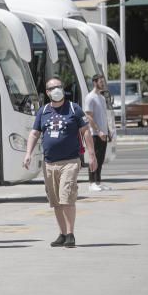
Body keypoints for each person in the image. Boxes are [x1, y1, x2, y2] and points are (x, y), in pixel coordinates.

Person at [23, 77, 96, 248]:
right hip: (49, 163)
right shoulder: (43, 111)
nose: (56, 90)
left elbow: (85, 132)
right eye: (52, 88)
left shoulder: (73, 108)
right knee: (55, 201)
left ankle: (70, 234)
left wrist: (91, 155)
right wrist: (28, 154)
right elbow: (34, 133)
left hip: (70, 161)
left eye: (59, 86)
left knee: (67, 197)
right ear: (47, 92)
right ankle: (62, 234)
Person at [82, 73, 112, 191]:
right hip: (94, 134)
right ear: (95, 83)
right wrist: (98, 131)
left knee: (101, 158)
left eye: (103, 82)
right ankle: (91, 182)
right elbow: (89, 117)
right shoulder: (90, 97)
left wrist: (107, 130)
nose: (103, 84)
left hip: (103, 133)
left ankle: (98, 182)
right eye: (101, 82)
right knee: (93, 157)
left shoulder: (102, 97)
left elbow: (103, 116)